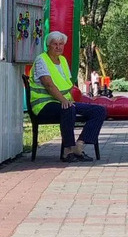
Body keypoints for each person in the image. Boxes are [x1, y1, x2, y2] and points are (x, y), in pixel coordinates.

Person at [29, 31, 106, 162]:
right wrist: (64, 100)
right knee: (69, 109)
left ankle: (79, 146)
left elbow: (67, 84)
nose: (58, 47)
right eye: (55, 44)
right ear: (48, 45)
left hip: (63, 102)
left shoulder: (63, 60)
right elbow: (48, 84)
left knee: (99, 110)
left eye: (61, 44)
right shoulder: (41, 60)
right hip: (44, 105)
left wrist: (67, 100)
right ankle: (67, 150)